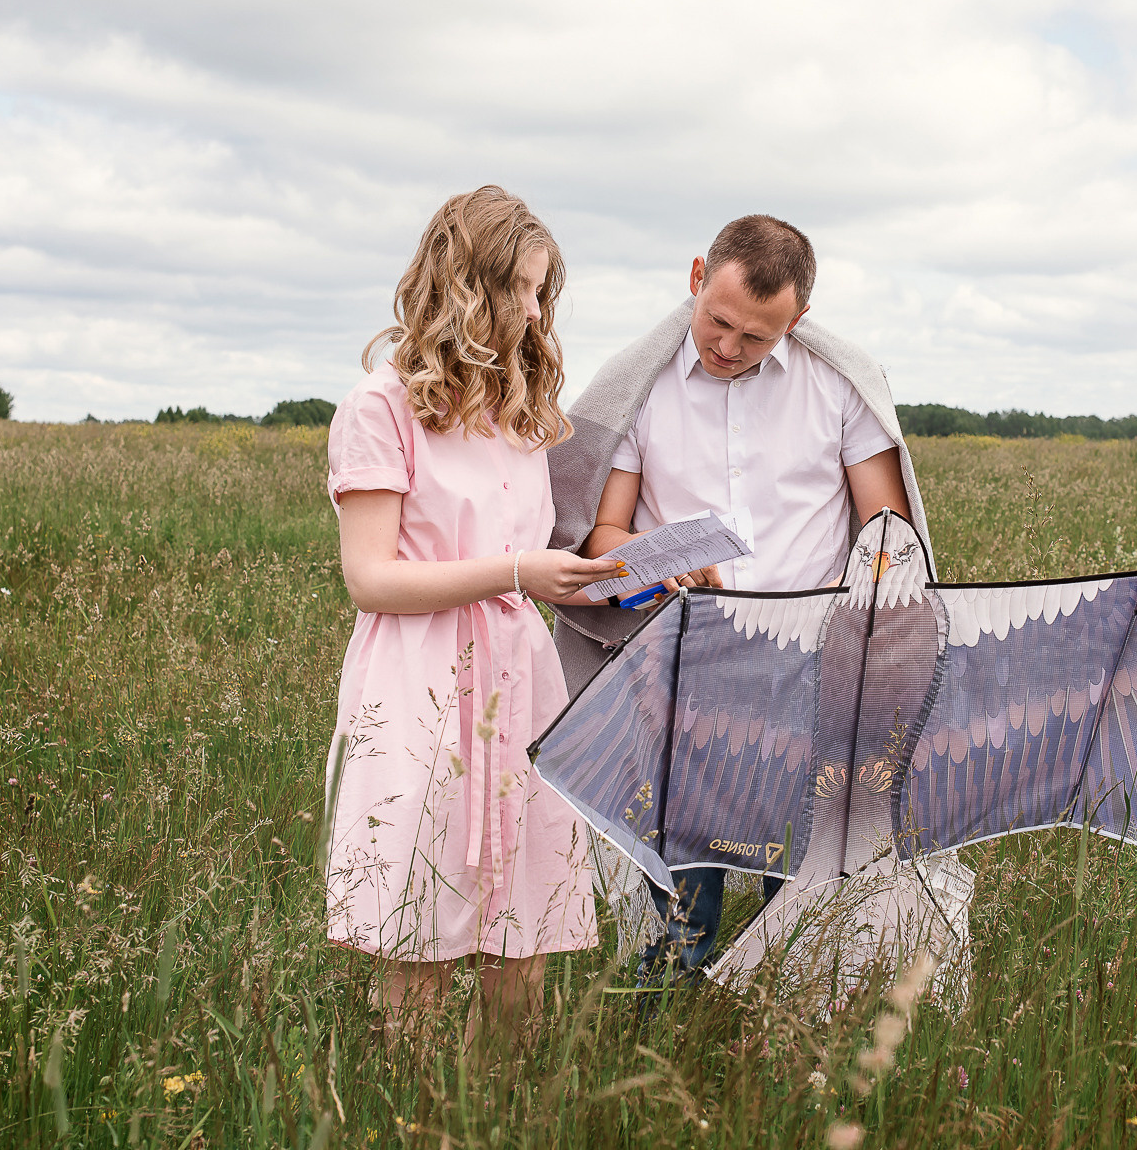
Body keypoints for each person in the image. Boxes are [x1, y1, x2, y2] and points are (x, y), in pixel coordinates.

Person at [546, 213, 935, 978]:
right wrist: (660, 565)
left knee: (804, 894)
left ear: (799, 319)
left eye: (755, 336)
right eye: (717, 321)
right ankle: (659, 1047)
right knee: (679, 903)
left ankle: (777, 1045)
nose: (727, 346)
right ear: (696, 276)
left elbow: (888, 537)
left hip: (810, 671)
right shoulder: (641, 387)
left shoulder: (840, 386)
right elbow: (603, 535)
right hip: (685, 671)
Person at [323, 185, 623, 1044]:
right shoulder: (381, 407)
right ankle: (414, 1110)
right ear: (463, 283)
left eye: (541, 293)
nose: (534, 313)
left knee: (522, 922)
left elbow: (535, 554)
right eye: (519, 288)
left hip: (519, 669)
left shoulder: (518, 411)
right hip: (420, 672)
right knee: (417, 918)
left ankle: (502, 1105)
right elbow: (370, 577)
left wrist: (609, 573)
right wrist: (520, 570)